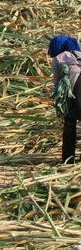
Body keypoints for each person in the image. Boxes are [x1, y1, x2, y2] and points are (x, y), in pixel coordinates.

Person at [49, 35, 81, 164]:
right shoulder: (79, 54)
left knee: (69, 124)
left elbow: (57, 84)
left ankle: (68, 159)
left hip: (75, 93)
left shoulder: (58, 58)